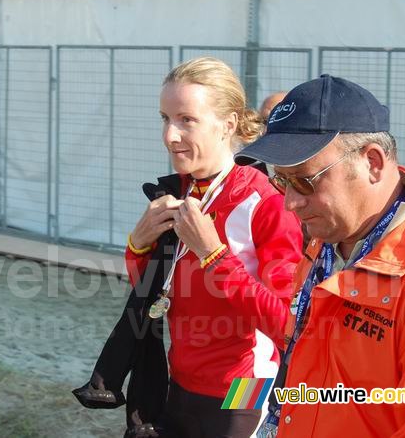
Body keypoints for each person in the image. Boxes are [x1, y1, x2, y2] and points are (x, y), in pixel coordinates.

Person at [231, 74, 405, 437]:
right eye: (281, 181)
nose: (290, 201)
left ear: (373, 162)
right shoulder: (327, 243)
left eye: (304, 180)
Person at [73, 57, 303, 438]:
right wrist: (138, 246)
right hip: (179, 378)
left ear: (228, 125)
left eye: (186, 120)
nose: (169, 135)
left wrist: (214, 256)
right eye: (165, 118)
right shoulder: (181, 192)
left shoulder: (266, 202)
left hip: (245, 389)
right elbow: (156, 294)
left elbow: (286, 326)